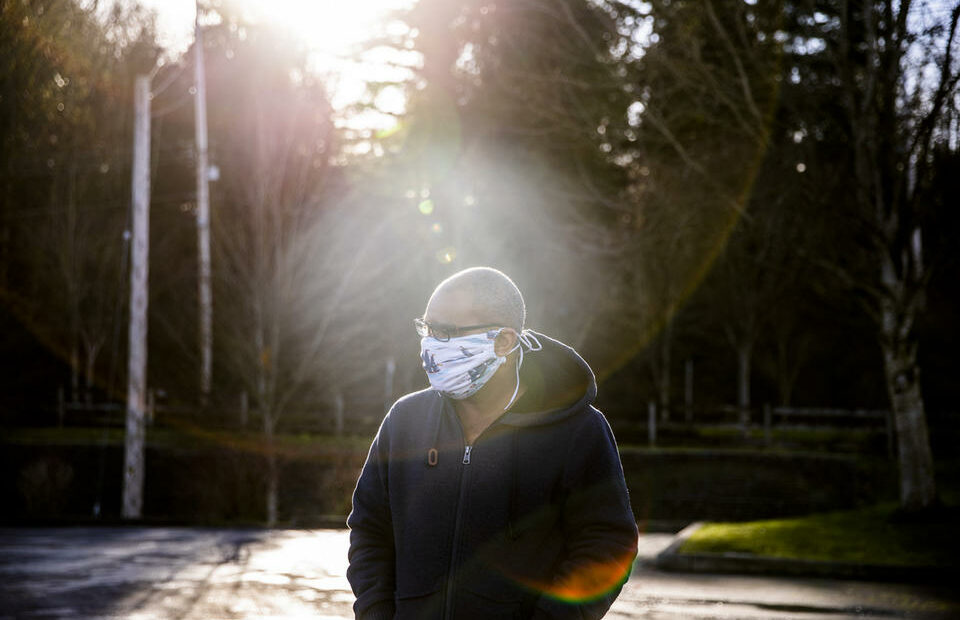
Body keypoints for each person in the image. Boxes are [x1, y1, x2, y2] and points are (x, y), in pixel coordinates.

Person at [347, 267, 638, 619]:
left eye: (446, 332)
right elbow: (370, 528)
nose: (431, 346)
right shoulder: (405, 421)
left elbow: (608, 543)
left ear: (504, 341)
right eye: (427, 329)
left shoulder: (578, 430)